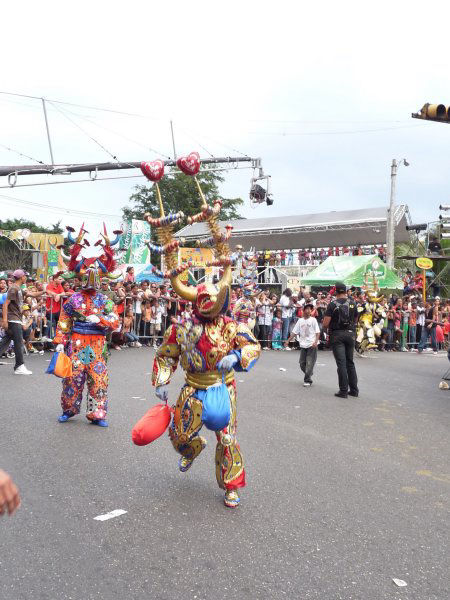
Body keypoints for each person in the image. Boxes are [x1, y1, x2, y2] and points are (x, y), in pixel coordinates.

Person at [147, 188, 261, 509]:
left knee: (226, 437)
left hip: (222, 387)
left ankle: (231, 485)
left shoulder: (230, 325)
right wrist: (161, 381)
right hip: (193, 386)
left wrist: (236, 356)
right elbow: (165, 356)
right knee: (179, 436)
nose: (211, 304)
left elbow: (252, 347)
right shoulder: (182, 328)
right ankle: (191, 449)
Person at [53, 224, 120, 426]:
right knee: (73, 377)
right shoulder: (73, 299)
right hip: (78, 342)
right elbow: (64, 319)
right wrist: (60, 341)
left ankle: (97, 413)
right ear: (79, 278)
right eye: (86, 277)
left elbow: (115, 321)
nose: (90, 280)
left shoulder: (104, 300)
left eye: (95, 277)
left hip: (97, 344)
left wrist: (100, 320)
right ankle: (69, 409)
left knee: (97, 377)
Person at [0, 269, 43, 374]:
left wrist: (45, 291)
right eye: (25, 276)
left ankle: (19, 366)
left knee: (6, 341)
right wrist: (5, 321)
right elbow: (5, 304)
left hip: (16, 319)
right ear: (21, 277)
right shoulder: (13, 289)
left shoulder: (19, 288)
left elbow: (32, 295)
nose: (26, 278)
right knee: (19, 342)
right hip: (13, 319)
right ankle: (19, 366)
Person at [322, 282, 358, 398]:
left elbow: (326, 323)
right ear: (346, 291)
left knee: (341, 363)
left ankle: (343, 391)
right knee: (350, 362)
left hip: (337, 335)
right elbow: (355, 320)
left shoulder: (332, 305)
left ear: (336, 291)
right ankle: (354, 390)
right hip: (351, 334)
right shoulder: (353, 303)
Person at [285, 303, 320, 386]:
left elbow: (318, 332)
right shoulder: (300, 321)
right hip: (303, 344)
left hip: (312, 344)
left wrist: (315, 342)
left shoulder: (313, 320)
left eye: (310, 309)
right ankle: (309, 372)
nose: (309, 310)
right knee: (302, 363)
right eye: (307, 309)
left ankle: (307, 380)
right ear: (303, 310)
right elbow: (294, 332)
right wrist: (288, 341)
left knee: (309, 363)